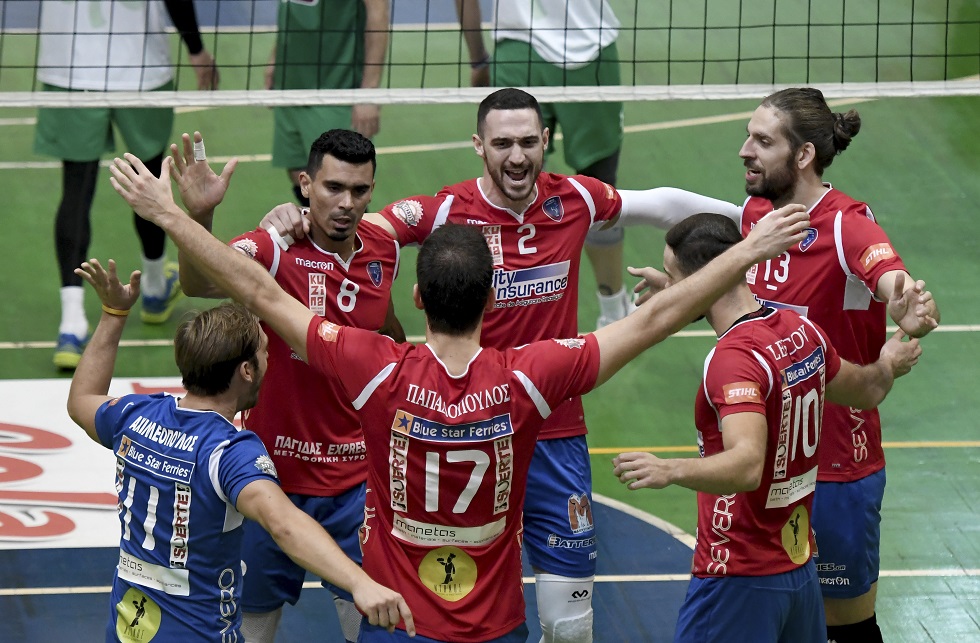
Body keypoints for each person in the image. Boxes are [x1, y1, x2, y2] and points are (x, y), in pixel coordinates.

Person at [109, 147, 811, 642]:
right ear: (491, 298)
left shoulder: (374, 369)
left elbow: (260, 292)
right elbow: (653, 320)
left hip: (401, 624)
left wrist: (170, 215)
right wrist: (743, 253)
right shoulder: (531, 377)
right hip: (493, 626)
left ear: (416, 297)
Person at [259, 87, 751, 642]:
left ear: (545, 141)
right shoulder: (447, 210)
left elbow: (656, 204)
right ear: (479, 145)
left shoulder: (576, 198)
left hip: (554, 431)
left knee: (570, 625)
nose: (516, 156)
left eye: (527, 142)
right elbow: (360, 226)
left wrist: (748, 217)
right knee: (445, 590)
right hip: (476, 423)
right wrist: (295, 217)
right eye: (501, 144)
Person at [629, 88, 940, 643]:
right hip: (770, 473)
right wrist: (683, 291)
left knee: (846, 626)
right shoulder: (759, 217)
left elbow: (889, 276)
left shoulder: (847, 225)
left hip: (836, 467)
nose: (744, 150)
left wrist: (904, 302)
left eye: (762, 141)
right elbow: (749, 313)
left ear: (803, 155)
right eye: (748, 136)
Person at [65, 259, 413, 642]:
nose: (270, 358)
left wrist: (114, 314)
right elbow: (283, 524)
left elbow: (81, 400)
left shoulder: (135, 415)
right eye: (265, 351)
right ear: (246, 370)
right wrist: (359, 582)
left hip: (128, 630)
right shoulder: (229, 452)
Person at [170, 128, 404, 642]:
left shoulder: (384, 250)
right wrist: (200, 215)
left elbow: (388, 330)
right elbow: (197, 282)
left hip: (356, 485)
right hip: (269, 479)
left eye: (359, 190)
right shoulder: (274, 248)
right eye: (333, 187)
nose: (346, 203)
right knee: (252, 630)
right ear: (305, 184)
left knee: (370, 625)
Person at [36, 0, 218, 369]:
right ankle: (154, 287)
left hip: (69, 65)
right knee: (149, 178)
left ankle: (72, 324)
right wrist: (196, 48)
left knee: (76, 190)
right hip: (140, 67)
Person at [457, 0, 631, 329]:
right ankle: (613, 309)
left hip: (523, 50)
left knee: (511, 187)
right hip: (584, 44)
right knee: (600, 189)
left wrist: (478, 57)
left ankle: (512, 307)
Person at [269, 0, 389, 208]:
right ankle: (324, 230)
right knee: (300, 172)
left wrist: (368, 93)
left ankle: (358, 230)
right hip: (290, 82)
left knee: (343, 181)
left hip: (336, 87)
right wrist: (275, 58)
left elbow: (378, 14)